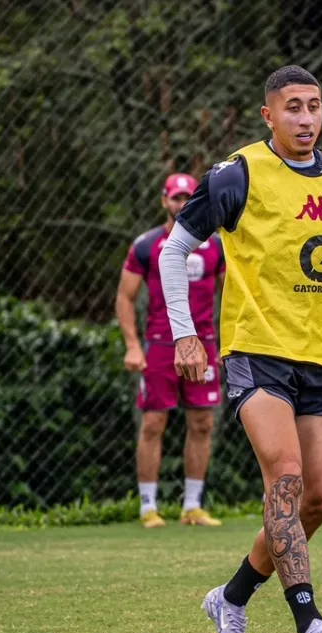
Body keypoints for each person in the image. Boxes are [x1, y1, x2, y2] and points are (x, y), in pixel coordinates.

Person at [158, 65, 322, 633]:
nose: (306, 118)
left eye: (314, 106)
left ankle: (232, 597)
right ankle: (309, 623)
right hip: (256, 351)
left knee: (319, 499)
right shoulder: (237, 174)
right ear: (269, 115)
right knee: (285, 478)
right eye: (293, 107)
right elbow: (174, 249)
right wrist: (186, 337)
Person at [116, 173, 226, 529]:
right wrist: (133, 345)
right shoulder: (148, 245)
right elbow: (125, 297)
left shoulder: (217, 245)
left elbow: (234, 294)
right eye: (175, 198)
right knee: (153, 422)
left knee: (203, 422)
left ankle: (192, 506)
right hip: (162, 345)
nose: (181, 204)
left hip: (206, 344)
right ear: (164, 200)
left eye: (187, 198)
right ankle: (148, 506)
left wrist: (230, 343)